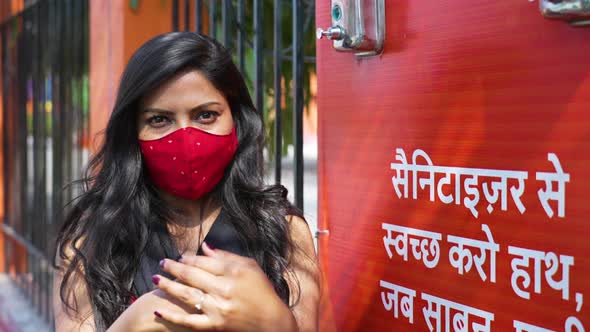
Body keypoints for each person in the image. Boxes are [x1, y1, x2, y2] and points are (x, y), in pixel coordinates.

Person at [53, 32, 319, 332]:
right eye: (159, 119)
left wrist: (275, 322)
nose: (186, 138)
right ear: (132, 132)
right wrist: (135, 321)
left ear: (236, 121)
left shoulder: (280, 229)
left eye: (206, 115)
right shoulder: (92, 238)